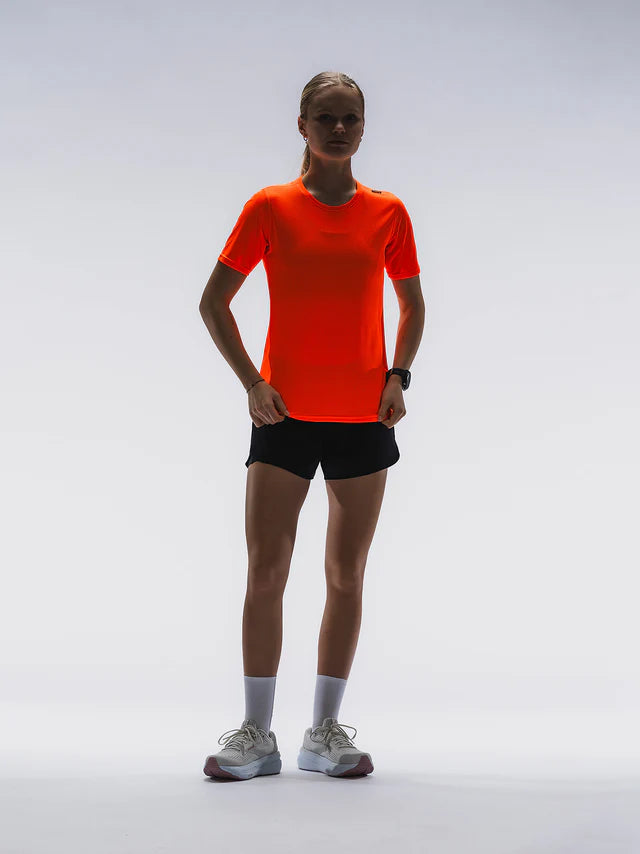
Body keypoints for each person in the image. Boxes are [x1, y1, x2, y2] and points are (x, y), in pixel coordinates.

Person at [199, 71, 425, 780]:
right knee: (267, 570)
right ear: (302, 125)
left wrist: (398, 376)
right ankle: (256, 733)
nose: (338, 129)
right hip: (285, 416)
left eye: (350, 118)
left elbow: (413, 305)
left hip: (363, 418)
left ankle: (324, 732)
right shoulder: (270, 207)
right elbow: (213, 302)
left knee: (345, 574)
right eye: (325, 117)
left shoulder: (388, 213)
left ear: (364, 126)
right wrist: (253, 383)